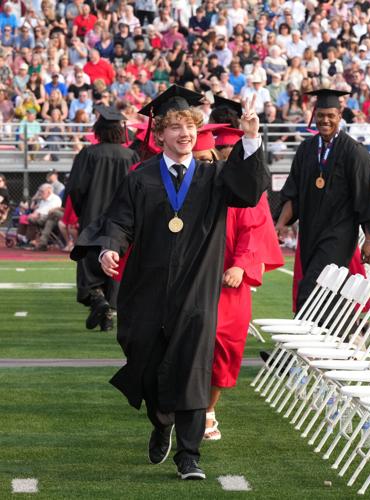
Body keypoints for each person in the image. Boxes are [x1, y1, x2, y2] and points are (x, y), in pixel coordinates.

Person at [70, 85, 269, 480]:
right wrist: (110, 248)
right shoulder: (140, 177)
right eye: (175, 127)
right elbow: (119, 221)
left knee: (194, 367)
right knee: (146, 362)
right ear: (159, 133)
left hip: (196, 290)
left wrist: (250, 140)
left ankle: (189, 456)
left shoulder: (215, 177)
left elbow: (249, 192)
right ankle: (162, 421)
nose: (185, 134)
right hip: (146, 289)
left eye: (190, 126)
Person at [194, 125, 283, 441]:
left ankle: (208, 410)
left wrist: (241, 265)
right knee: (190, 343)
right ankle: (190, 407)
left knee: (225, 345)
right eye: (223, 155)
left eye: (237, 154)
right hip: (196, 279)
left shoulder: (245, 191)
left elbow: (253, 231)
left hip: (230, 281)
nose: (230, 160)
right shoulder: (200, 183)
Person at [276, 88, 370, 312]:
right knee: (327, 291)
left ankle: (302, 342)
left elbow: (368, 196)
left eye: (330, 116)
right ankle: (344, 333)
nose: (325, 120)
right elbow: (292, 193)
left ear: (340, 115)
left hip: (339, 233)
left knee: (310, 288)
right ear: (315, 115)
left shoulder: (354, 152)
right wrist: (278, 225)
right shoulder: (306, 150)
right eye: (321, 115)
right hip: (309, 234)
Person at [66, 105, 138, 332]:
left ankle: (98, 300)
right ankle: (108, 312)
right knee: (115, 262)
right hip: (123, 219)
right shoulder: (131, 155)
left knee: (90, 261)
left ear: (98, 130)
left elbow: (76, 189)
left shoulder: (88, 154)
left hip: (93, 214)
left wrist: (83, 210)